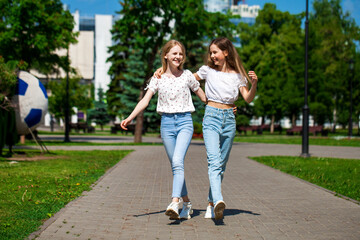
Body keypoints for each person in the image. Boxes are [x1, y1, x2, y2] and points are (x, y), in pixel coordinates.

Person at [121, 40, 207, 220]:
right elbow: (145, 100)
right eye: (174, 53)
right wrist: (130, 117)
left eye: (181, 54)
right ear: (166, 56)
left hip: (184, 122)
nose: (178, 57)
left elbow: (204, 98)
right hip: (166, 125)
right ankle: (188, 204)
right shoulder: (157, 78)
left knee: (177, 161)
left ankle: (175, 202)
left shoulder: (188, 76)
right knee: (176, 166)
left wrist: (225, 105)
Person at [194, 37, 258, 220]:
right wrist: (164, 70)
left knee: (221, 165)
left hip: (229, 120)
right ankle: (219, 199)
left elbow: (248, 98)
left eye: (215, 52)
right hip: (211, 117)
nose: (212, 55)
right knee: (214, 162)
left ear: (226, 52)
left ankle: (211, 204)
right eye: (211, 52)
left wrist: (254, 85)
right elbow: (186, 80)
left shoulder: (238, 75)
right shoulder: (207, 71)